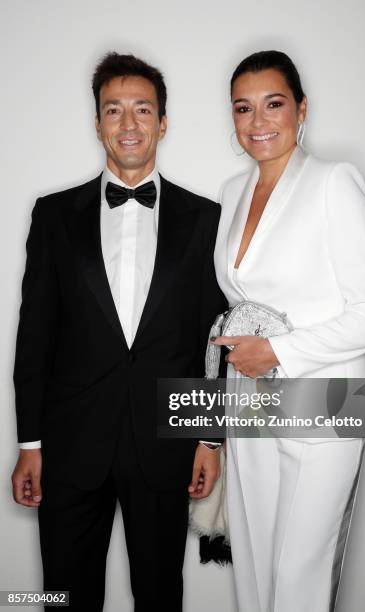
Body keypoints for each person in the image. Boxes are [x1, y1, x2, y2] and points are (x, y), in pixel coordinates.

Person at [11, 52, 226, 612]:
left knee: (160, 595)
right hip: (69, 445)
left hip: (163, 445)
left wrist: (209, 440)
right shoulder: (53, 216)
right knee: (62, 593)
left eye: (142, 110)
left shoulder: (206, 220)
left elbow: (212, 343)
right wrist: (29, 443)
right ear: (97, 122)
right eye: (114, 110)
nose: (128, 125)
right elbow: (34, 336)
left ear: (163, 121)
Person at [212, 50, 365, 612]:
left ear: (301, 109)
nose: (258, 121)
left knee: (299, 576)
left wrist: (277, 353)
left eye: (274, 104)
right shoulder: (230, 194)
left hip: (328, 403)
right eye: (244, 108)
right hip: (250, 405)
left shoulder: (333, 181)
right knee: (255, 564)